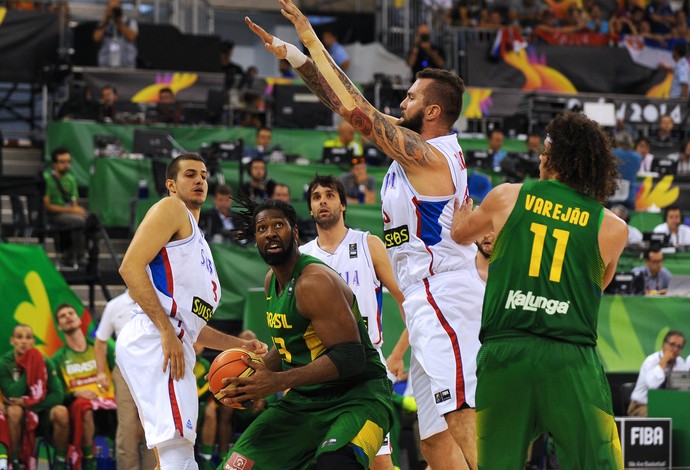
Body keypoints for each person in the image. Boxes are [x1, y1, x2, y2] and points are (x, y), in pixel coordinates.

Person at [246, 5, 480, 467]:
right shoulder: (416, 148)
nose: (401, 104)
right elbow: (342, 105)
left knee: (462, 413)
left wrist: (313, 38)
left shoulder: (427, 156)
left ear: (433, 110)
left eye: (411, 98)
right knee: (433, 440)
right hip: (423, 297)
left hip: (444, 292)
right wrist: (297, 57)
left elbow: (359, 112)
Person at [450, 112, 627, 468]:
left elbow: (460, 236)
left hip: (505, 355)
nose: (540, 159)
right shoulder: (612, 227)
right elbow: (598, 286)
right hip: (570, 359)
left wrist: (461, 217)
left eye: (545, 153)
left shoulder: (506, 197)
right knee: (598, 461)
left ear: (554, 158)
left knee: (498, 463)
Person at [116, 153, 267, 469]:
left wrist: (241, 345)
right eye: (189, 174)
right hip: (155, 337)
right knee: (179, 455)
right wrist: (166, 332)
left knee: (169, 454)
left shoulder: (200, 242)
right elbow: (130, 267)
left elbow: (193, 325)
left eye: (203, 175)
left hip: (170, 338)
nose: (200, 180)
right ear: (170, 184)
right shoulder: (172, 209)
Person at [218, 198, 394, 469]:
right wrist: (245, 378)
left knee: (334, 465)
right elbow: (291, 346)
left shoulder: (315, 281)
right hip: (304, 402)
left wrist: (276, 382)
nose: (271, 232)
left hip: (358, 397)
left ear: (296, 234)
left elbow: (350, 357)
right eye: (262, 228)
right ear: (256, 240)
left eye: (279, 225)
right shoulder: (271, 281)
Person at [300, 175, 407, 469]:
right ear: (310, 208)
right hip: (321, 369)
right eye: (316, 196)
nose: (323, 200)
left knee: (378, 461)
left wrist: (397, 354)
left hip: (366, 365)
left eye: (330, 195)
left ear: (343, 204)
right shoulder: (302, 257)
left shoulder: (368, 244)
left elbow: (405, 299)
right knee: (320, 460)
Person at [94, 290, 155, 470]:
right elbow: (100, 340)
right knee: (127, 425)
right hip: (124, 370)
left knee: (154, 424)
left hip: (154, 369)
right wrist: (100, 372)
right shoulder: (114, 305)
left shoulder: (160, 300)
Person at [52, 303, 117, 470]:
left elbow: (120, 371)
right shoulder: (58, 358)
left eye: (70, 313)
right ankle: (88, 461)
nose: (67, 317)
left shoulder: (100, 346)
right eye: (62, 316)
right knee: (84, 406)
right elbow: (57, 395)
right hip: (82, 411)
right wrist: (75, 394)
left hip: (110, 405)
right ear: (59, 326)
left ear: (79, 319)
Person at [0, 325, 68, 470]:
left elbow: (58, 395)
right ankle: (15, 461)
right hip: (15, 418)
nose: (24, 341)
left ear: (33, 342)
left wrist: (29, 404)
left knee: (61, 412)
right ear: (12, 341)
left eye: (28, 337)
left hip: (40, 414)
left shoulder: (45, 362)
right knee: (14, 411)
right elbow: (13, 394)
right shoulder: (4, 363)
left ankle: (61, 462)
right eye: (19, 337)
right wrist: (29, 367)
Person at [43, 146, 87, 270]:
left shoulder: (71, 179)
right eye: (62, 162)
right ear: (54, 164)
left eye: (68, 162)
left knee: (92, 221)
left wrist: (77, 211)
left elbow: (74, 203)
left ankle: (87, 254)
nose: (66, 165)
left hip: (67, 214)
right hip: (52, 215)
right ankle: (75, 256)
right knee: (78, 221)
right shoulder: (46, 178)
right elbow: (47, 206)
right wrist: (72, 211)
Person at [628, 331, 687, 417]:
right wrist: (664, 361)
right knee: (659, 416)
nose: (675, 349)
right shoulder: (651, 361)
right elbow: (653, 385)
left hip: (668, 407)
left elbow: (683, 388)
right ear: (663, 344)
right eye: (672, 344)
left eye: (679, 347)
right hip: (641, 406)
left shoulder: (680, 362)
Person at [92, 0, 138, 68]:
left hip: (126, 65)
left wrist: (118, 21)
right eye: (111, 8)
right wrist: (106, 19)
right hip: (106, 65)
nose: (113, 11)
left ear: (120, 8)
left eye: (115, 8)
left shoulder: (130, 22)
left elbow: (132, 37)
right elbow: (96, 38)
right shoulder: (104, 23)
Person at [612, 131, 642, 209]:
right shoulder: (637, 157)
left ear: (618, 142)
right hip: (629, 196)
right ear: (630, 143)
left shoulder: (611, 153)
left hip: (612, 195)